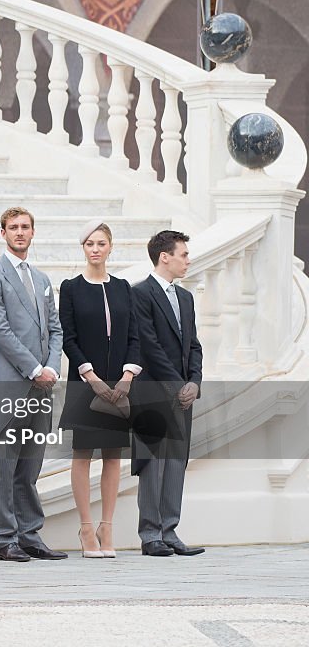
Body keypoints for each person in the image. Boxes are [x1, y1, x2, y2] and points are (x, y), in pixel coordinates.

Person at [0, 207, 66, 562]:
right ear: (3, 234)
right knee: (5, 464)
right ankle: (4, 538)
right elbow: (1, 331)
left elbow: (55, 329)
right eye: (12, 227)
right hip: (13, 383)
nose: (19, 232)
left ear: (33, 232)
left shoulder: (42, 279)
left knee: (31, 465)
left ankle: (30, 534)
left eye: (25, 227)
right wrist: (34, 369)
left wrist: (52, 368)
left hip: (44, 384)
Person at [58, 221, 141, 559]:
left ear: (110, 247)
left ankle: (108, 527)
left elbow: (135, 337)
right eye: (90, 243)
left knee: (112, 456)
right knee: (83, 455)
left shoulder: (123, 287)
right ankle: (87, 528)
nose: (95, 248)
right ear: (84, 248)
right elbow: (69, 338)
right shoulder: (71, 287)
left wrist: (127, 377)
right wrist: (90, 377)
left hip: (120, 385)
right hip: (85, 384)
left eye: (101, 243)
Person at [131, 230, 204, 557]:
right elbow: (149, 345)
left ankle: (170, 530)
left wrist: (194, 382)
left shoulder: (186, 297)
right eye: (183, 254)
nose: (187, 260)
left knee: (176, 462)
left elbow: (194, 346)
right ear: (165, 256)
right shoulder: (140, 293)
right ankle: (150, 534)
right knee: (152, 463)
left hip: (183, 393)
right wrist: (177, 385)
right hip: (152, 391)